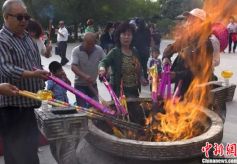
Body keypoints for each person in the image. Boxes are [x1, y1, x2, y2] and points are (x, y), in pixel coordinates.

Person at [0, 1, 50, 164]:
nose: (24, 21)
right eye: (20, 17)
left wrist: (41, 74)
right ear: (6, 17)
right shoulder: (2, 40)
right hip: (14, 108)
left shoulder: (27, 37)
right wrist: (34, 74)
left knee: (26, 151)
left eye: (26, 17)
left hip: (30, 104)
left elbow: (35, 63)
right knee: (21, 155)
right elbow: (7, 69)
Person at [162, 8, 221, 98]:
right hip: (181, 83)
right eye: (188, 20)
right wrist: (166, 57)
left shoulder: (205, 44)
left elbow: (200, 72)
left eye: (193, 20)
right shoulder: (187, 38)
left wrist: (176, 75)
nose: (188, 23)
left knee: (189, 110)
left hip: (195, 89)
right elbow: (170, 48)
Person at [98, 21, 142, 98]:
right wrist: (102, 69)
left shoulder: (135, 51)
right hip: (119, 91)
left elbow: (139, 68)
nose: (126, 37)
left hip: (134, 90)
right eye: (124, 34)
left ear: (132, 37)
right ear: (119, 36)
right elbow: (103, 62)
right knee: (120, 110)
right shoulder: (115, 51)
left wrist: (142, 77)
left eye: (129, 35)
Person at [71, 32, 105, 107]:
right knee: (82, 109)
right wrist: (85, 76)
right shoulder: (76, 51)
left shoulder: (98, 49)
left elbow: (105, 61)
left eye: (92, 44)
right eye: (88, 44)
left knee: (96, 108)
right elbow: (73, 67)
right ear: (83, 42)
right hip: (79, 85)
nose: (91, 46)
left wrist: (103, 70)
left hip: (93, 85)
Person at [133, 18, 151, 85]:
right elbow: (149, 40)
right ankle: (146, 79)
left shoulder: (136, 31)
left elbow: (134, 41)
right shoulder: (147, 30)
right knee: (144, 65)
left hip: (138, 51)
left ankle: (138, 79)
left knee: (138, 65)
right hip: (145, 51)